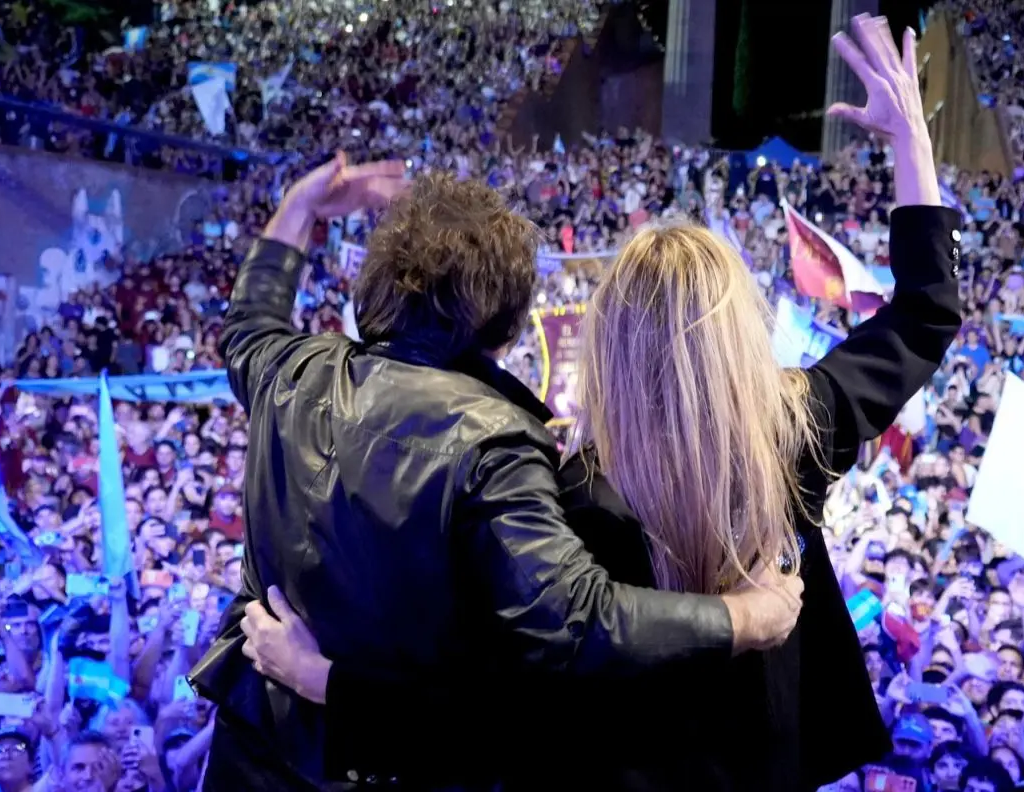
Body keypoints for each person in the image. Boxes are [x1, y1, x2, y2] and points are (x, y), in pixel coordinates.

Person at [236, 15, 963, 790]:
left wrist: (323, 684)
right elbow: (925, 309)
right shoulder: (798, 428)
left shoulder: (558, 493)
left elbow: (481, 714)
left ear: (608, 344)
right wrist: (910, 146)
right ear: (741, 327)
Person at [186, 153, 807, 790]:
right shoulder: (496, 445)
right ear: (507, 327)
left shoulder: (292, 372)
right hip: (392, 770)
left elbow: (249, 321)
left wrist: (298, 208)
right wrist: (746, 617)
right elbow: (578, 622)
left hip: (249, 753)